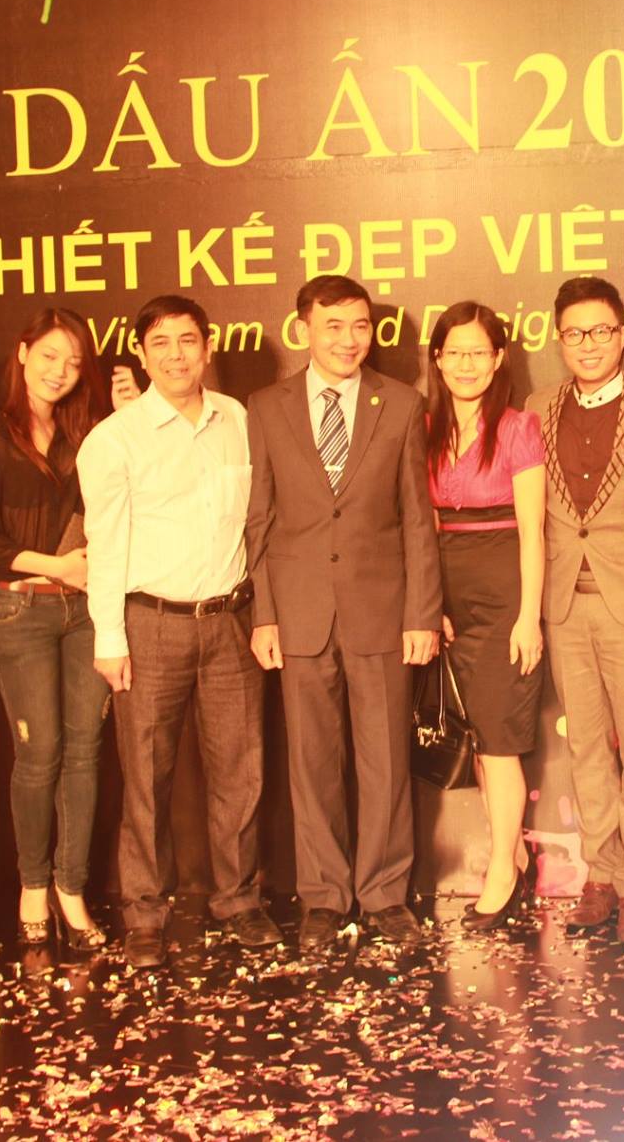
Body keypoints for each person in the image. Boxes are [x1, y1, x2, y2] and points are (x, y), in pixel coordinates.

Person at [82, 295, 281, 969]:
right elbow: (104, 544)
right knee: (146, 776)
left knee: (241, 773)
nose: (176, 355)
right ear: (142, 354)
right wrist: (109, 636)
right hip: (151, 624)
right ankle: (144, 912)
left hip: (230, 622)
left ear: (207, 346)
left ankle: (239, 899)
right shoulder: (114, 439)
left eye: (187, 340)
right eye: (161, 343)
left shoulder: (240, 422)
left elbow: (260, 527)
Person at [245, 276, 442, 951]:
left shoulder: (402, 401)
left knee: (385, 761)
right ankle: (324, 897)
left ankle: (385, 894)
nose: (349, 339)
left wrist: (422, 613)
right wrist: (264, 614)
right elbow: (260, 517)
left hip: (381, 610)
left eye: (360, 325)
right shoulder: (266, 406)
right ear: (303, 328)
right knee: (312, 764)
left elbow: (416, 517)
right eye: (333, 325)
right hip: (299, 612)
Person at [527, 276, 624, 949]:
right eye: (574, 333)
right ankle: (601, 873)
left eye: (600, 331)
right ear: (558, 339)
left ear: (623, 334)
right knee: (586, 744)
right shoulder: (537, 407)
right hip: (564, 600)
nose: (588, 344)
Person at [0, 308, 109, 953]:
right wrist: (58, 566)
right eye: (49, 356)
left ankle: (72, 889)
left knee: (85, 752)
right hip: (21, 611)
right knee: (38, 753)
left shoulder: (89, 436)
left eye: (73, 362)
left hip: (87, 614)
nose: (59, 371)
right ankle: (33, 887)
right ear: (22, 353)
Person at [424, 303, 548, 932]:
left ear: (499, 359)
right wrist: (432, 605)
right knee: (475, 738)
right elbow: (421, 528)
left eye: (479, 352)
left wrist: (528, 617)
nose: (466, 364)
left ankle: (502, 871)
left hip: (504, 594)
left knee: (499, 743)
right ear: (438, 359)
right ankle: (516, 855)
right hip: (448, 594)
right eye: (455, 352)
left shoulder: (519, 428)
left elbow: (533, 531)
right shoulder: (424, 428)